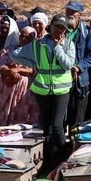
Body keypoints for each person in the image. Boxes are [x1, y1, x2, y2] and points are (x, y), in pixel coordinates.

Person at [11, 14, 77, 170]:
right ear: (51, 27)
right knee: (46, 127)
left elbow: (68, 65)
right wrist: (33, 65)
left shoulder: (68, 44)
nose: (59, 30)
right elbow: (15, 54)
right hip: (42, 90)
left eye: (63, 27)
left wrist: (58, 47)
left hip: (62, 90)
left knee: (57, 126)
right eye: (57, 26)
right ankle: (48, 163)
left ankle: (62, 162)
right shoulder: (37, 45)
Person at [0, 26, 40, 126]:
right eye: (21, 36)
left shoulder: (36, 52)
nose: (23, 39)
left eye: (27, 37)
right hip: (8, 85)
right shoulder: (9, 50)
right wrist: (10, 72)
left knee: (24, 112)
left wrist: (18, 69)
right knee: (6, 111)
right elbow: (1, 64)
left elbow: (35, 69)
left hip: (26, 88)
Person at [63, 0, 91, 128]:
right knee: (61, 117)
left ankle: (74, 145)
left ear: (80, 14)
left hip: (80, 81)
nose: (69, 14)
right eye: (68, 11)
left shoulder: (86, 32)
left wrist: (79, 67)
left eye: (73, 11)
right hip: (61, 79)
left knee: (77, 119)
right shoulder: (60, 29)